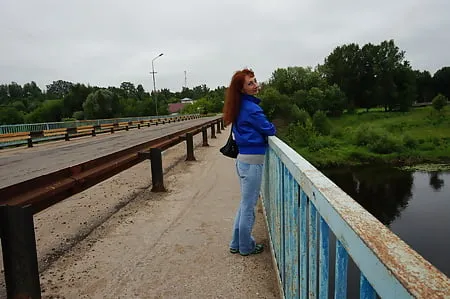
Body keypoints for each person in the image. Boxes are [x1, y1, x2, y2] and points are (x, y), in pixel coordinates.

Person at [222, 68, 276, 256]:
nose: (255, 85)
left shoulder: (240, 106)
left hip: (243, 160)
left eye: (254, 81)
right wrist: (272, 125)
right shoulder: (252, 109)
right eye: (250, 83)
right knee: (248, 207)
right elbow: (269, 129)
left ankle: (236, 243)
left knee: (245, 204)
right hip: (252, 162)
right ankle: (246, 246)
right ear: (242, 89)